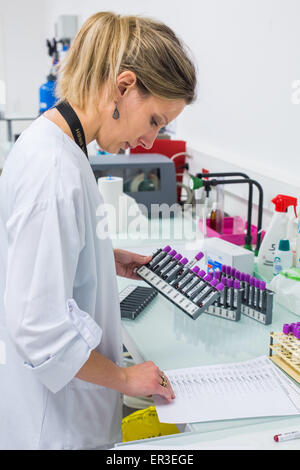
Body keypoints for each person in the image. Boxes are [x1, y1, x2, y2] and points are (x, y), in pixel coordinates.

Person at [0, 12, 196, 450]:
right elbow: (38, 329)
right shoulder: (52, 170)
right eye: (153, 120)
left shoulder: (55, 144)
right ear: (124, 87)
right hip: (54, 428)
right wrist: (126, 377)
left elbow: (34, 261)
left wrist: (100, 256)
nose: (150, 141)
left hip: (61, 413)